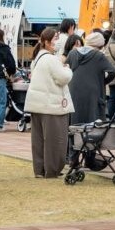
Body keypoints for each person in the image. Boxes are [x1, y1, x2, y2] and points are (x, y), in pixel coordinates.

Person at [25, 28, 74, 179]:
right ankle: (52, 170)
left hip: (37, 104)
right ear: (47, 42)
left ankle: (39, 170)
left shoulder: (38, 58)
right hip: (52, 105)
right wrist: (68, 69)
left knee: (38, 139)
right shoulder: (52, 59)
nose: (57, 41)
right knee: (56, 140)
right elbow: (63, 78)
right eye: (55, 38)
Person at [67, 32, 115, 125]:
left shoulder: (72, 53)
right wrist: (103, 82)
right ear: (101, 45)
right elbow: (113, 71)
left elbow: (66, 70)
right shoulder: (99, 56)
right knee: (93, 121)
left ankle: (74, 139)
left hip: (73, 90)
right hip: (93, 91)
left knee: (75, 119)